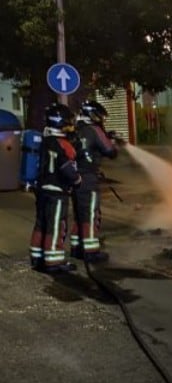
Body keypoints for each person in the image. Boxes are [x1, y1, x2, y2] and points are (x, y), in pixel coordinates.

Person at [29, 103, 82, 273]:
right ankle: (54, 261)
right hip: (57, 192)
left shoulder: (44, 141)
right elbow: (67, 168)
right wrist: (77, 179)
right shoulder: (62, 144)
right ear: (61, 122)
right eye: (68, 122)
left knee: (41, 224)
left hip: (41, 190)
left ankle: (37, 257)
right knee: (56, 225)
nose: (70, 126)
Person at [71, 99, 118, 263]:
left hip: (74, 177)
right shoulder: (94, 130)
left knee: (79, 213)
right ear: (94, 115)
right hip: (88, 178)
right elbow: (110, 151)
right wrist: (112, 141)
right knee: (91, 214)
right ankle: (91, 251)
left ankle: (77, 247)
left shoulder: (76, 129)